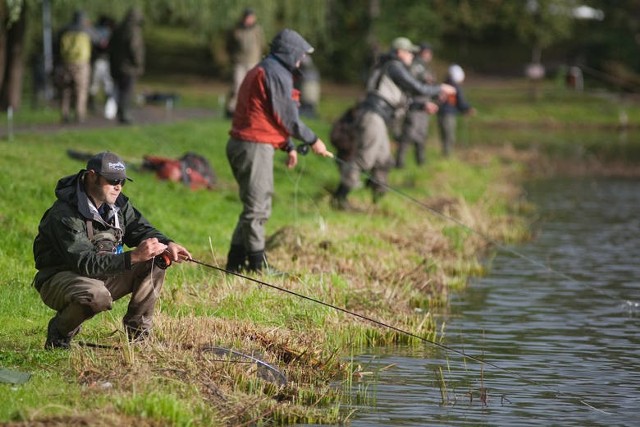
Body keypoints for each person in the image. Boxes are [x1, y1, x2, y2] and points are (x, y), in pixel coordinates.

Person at [33, 152, 192, 349]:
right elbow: (85, 263)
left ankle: (138, 337)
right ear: (92, 176)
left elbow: (139, 228)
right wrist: (132, 257)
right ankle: (60, 332)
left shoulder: (118, 204)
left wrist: (167, 243)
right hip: (60, 279)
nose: (118, 186)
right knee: (96, 295)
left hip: (101, 272)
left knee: (156, 259)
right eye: (112, 180)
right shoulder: (65, 214)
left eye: (122, 181)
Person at [225, 29, 333, 273]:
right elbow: (288, 117)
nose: (301, 61)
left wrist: (288, 145)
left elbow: (265, 113)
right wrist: (313, 140)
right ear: (289, 52)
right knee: (258, 208)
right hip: (253, 146)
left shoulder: (268, 68)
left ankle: (234, 263)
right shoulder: (275, 72)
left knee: (253, 207)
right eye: (300, 55)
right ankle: (257, 265)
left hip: (250, 143)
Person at [331, 37, 455, 210]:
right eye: (409, 52)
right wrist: (440, 88)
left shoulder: (392, 69)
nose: (413, 55)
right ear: (399, 52)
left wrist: (422, 105)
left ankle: (378, 200)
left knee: (384, 160)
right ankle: (339, 198)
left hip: (379, 117)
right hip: (373, 116)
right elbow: (416, 87)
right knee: (365, 159)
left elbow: (400, 101)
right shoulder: (394, 66)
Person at [395, 42, 436, 168]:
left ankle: (420, 162)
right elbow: (413, 87)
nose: (430, 55)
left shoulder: (424, 66)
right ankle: (400, 163)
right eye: (427, 52)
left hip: (423, 106)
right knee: (408, 134)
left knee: (421, 135)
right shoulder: (415, 65)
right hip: (415, 105)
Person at [225, 8, 265, 118]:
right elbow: (229, 45)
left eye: (251, 18)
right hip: (240, 62)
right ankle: (231, 109)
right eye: (247, 18)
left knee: (252, 87)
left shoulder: (257, 30)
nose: (249, 20)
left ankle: (250, 110)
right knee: (237, 85)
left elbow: (262, 45)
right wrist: (232, 57)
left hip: (253, 62)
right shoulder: (237, 30)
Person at [55, 10, 93, 123]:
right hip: (81, 64)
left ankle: (64, 114)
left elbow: (56, 43)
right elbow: (99, 40)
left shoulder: (64, 30)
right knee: (81, 89)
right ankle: (79, 114)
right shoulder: (86, 30)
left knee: (65, 90)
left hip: (66, 62)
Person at [109, 8, 145, 124]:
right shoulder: (133, 31)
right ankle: (124, 114)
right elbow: (135, 49)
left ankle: (120, 112)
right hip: (129, 67)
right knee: (127, 91)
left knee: (119, 90)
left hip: (117, 65)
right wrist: (138, 63)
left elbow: (111, 46)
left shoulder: (118, 29)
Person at [437, 64, 476, 157]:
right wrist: (467, 108)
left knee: (445, 136)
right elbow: (460, 100)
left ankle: (446, 155)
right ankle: (447, 156)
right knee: (449, 137)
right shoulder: (454, 86)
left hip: (442, 113)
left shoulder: (444, 83)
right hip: (448, 113)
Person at [88, 15, 116, 117]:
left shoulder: (94, 31)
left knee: (94, 84)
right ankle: (108, 109)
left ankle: (92, 106)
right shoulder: (107, 33)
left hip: (97, 61)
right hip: (104, 61)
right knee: (107, 84)